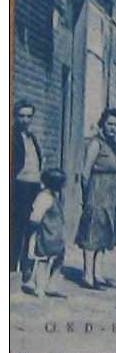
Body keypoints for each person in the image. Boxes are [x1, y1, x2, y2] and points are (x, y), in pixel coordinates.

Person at [75, 108, 116, 290]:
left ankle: (98, 274)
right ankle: (87, 276)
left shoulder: (113, 145)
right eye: (109, 124)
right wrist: (86, 196)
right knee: (92, 234)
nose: (113, 128)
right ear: (102, 124)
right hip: (97, 193)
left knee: (104, 234)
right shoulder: (96, 144)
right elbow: (85, 173)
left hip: (111, 196)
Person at [12, 101, 44, 279]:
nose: (25, 120)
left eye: (28, 116)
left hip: (34, 186)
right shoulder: (11, 136)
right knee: (17, 227)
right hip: (18, 186)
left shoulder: (32, 138)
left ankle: (26, 267)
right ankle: (11, 268)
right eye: (21, 116)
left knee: (32, 227)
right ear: (15, 117)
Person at [24, 168, 66, 297]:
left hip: (53, 235)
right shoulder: (44, 198)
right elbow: (35, 218)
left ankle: (50, 284)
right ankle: (39, 286)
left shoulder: (52, 196)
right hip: (44, 234)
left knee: (57, 259)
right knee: (42, 260)